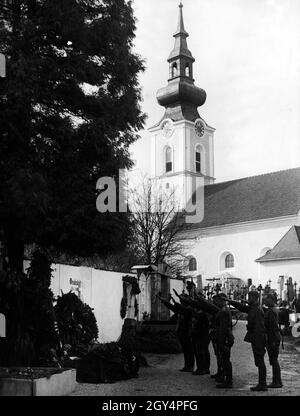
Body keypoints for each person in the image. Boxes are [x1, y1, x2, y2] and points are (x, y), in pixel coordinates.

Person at [229, 291, 268, 392]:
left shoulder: (257, 310)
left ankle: (262, 384)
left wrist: (258, 341)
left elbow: (260, 328)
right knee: (259, 361)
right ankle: (262, 383)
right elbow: (242, 307)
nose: (248, 300)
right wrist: (231, 301)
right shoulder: (254, 308)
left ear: (254, 298)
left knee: (260, 362)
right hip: (256, 338)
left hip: (258, 338)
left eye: (249, 298)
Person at [157, 294, 194, 372]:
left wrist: (175, 302)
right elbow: (172, 307)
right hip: (182, 331)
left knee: (189, 350)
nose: (181, 300)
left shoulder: (188, 309)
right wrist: (164, 301)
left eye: (182, 299)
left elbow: (181, 308)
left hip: (187, 332)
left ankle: (190, 366)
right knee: (185, 349)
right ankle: (187, 365)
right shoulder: (182, 309)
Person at [264, 293, 283, 388]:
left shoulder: (271, 311)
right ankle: (277, 381)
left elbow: (272, 327)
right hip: (275, 337)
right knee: (274, 360)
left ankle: (277, 382)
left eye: (266, 299)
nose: (265, 301)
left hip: (273, 337)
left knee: (274, 360)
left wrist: (271, 341)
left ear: (271, 299)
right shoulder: (272, 310)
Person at [187, 306, 210, 375]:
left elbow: (200, 326)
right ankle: (202, 368)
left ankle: (202, 368)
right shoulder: (197, 313)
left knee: (200, 352)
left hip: (201, 335)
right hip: (198, 335)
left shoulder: (201, 314)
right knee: (199, 352)